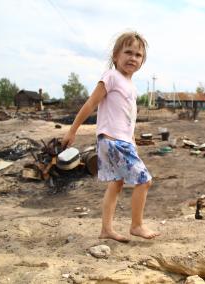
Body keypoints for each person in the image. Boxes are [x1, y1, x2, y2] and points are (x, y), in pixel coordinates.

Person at [61, 31, 159, 242]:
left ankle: (106, 229)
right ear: (116, 56)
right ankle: (137, 225)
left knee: (116, 183)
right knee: (145, 181)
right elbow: (91, 103)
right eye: (128, 52)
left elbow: (127, 117)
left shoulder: (131, 86)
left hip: (121, 141)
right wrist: (72, 130)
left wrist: (132, 139)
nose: (133, 58)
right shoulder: (111, 76)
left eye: (138, 55)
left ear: (142, 61)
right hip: (113, 141)